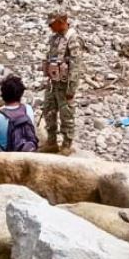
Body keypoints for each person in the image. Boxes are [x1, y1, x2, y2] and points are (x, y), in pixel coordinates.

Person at [40, 12, 82, 155]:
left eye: (53, 23)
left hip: (65, 84)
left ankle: (66, 144)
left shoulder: (72, 38)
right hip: (53, 82)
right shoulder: (55, 38)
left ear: (62, 22)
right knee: (49, 111)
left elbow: (76, 66)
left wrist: (71, 88)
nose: (50, 26)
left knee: (66, 115)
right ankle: (51, 142)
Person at [0, 75, 39, 152]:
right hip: (29, 153)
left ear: (2, 95)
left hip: (6, 160)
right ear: (21, 93)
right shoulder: (28, 109)